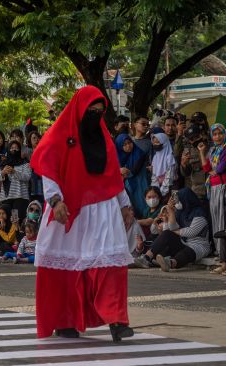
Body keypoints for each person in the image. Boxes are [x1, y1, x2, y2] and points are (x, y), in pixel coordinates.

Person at [30, 85, 134, 342]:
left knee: (110, 262)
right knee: (68, 266)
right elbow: (48, 170)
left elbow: (113, 175)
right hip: (69, 208)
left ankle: (117, 319)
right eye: (91, 111)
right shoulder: (57, 136)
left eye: (100, 112)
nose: (95, 116)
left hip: (103, 209)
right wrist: (55, 201)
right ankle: (65, 320)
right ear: (79, 109)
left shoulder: (104, 137)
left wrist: (125, 205)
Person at [135, 188, 210, 271]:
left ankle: (170, 263)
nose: (177, 203)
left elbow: (190, 232)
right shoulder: (181, 212)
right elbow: (171, 228)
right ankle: (146, 258)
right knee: (167, 234)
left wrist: (173, 231)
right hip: (184, 242)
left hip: (198, 245)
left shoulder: (199, 213)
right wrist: (170, 211)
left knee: (187, 252)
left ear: (186, 199)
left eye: (178, 200)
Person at [199, 123, 226, 257]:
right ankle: (219, 252)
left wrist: (214, 171)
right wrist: (201, 152)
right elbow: (207, 169)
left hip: (222, 185)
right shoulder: (213, 149)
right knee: (215, 218)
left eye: (220, 133)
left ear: (224, 134)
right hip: (212, 186)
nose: (217, 137)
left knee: (221, 218)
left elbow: (221, 168)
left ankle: (224, 252)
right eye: (214, 134)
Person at [0, 141, 31, 222]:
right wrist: (3, 172)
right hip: (6, 198)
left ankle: (18, 234)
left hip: (20, 197)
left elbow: (27, 177)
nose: (14, 150)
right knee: (6, 221)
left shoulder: (25, 164)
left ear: (20, 150)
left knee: (16, 221)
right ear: (8, 149)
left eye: (16, 148)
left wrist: (14, 172)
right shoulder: (3, 164)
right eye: (12, 148)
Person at [115, 134, 148, 217]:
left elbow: (135, 170)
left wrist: (122, 172)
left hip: (140, 183)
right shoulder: (118, 157)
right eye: (124, 144)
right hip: (127, 186)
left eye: (129, 142)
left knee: (142, 203)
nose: (128, 146)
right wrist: (119, 171)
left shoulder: (140, 153)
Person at [150, 132, 176, 198]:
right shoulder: (155, 157)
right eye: (154, 142)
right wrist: (155, 190)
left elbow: (169, 177)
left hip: (170, 189)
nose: (155, 144)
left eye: (157, 142)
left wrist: (161, 193)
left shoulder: (169, 157)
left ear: (164, 143)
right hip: (159, 191)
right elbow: (154, 176)